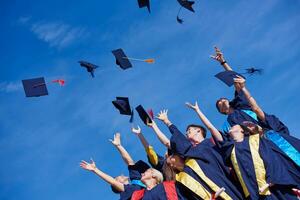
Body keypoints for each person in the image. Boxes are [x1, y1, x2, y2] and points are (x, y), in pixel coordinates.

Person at [187, 100, 300, 199]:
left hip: (273, 185)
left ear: (242, 130)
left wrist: (271, 181)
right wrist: (198, 111)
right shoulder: (230, 148)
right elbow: (211, 128)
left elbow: (272, 160)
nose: (232, 126)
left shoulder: (255, 141)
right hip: (253, 191)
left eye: (235, 125)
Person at [156, 109, 244, 200]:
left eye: (189, 130)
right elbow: (169, 143)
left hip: (229, 178)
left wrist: (198, 110)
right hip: (215, 186)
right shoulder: (192, 153)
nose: (186, 133)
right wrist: (165, 122)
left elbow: (211, 128)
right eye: (186, 132)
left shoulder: (212, 142)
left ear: (198, 130)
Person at [80, 133, 149, 200]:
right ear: (118, 183)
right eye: (117, 177)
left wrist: (118, 146)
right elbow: (113, 182)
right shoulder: (125, 191)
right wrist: (95, 170)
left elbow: (130, 162)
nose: (121, 174)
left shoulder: (136, 181)